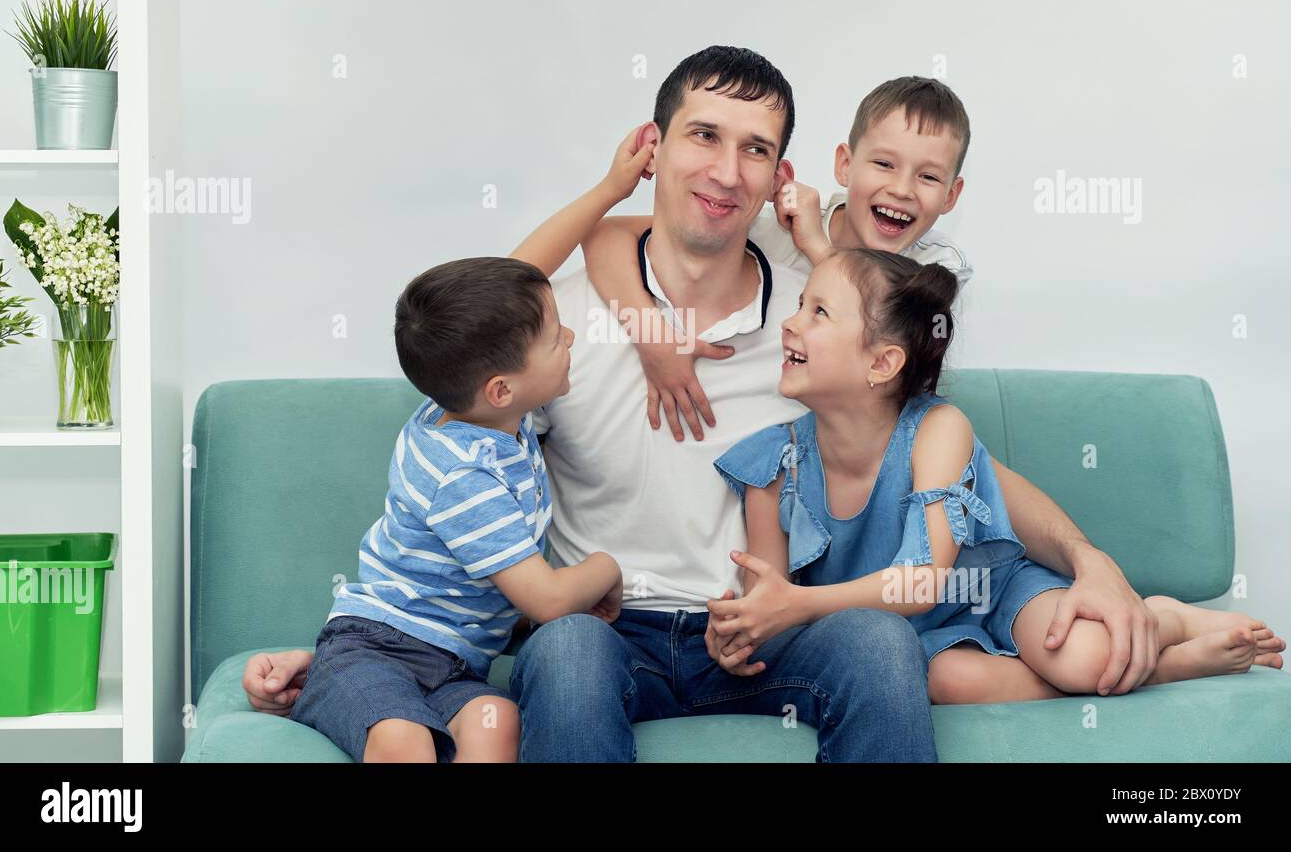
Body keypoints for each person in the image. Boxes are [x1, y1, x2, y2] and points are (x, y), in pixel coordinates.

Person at [244, 45, 1168, 759]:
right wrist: (348, 656)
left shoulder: (817, 322)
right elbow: (462, 397)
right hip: (613, 629)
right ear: (657, 150)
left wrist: (1091, 559)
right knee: (561, 655)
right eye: (704, 136)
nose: (728, 171)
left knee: (882, 649)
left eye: (756, 149)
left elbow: (952, 462)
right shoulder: (558, 329)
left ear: (780, 176)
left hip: (765, 625)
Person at [705, 248, 1286, 701]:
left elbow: (925, 580)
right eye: (800, 304)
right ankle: (1161, 669)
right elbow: (767, 601)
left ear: (882, 363)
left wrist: (801, 606)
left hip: (992, 591)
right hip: (905, 639)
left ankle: (1167, 619)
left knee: (1082, 657)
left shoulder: (938, 430)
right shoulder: (774, 463)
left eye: (818, 312)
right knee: (945, 686)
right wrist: (742, 630)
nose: (790, 324)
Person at [285, 132, 658, 762]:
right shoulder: (463, 471)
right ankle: (329, 693)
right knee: (404, 740)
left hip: (455, 665)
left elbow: (518, 280)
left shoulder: (483, 406)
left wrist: (610, 190)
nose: (569, 334)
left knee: (495, 724)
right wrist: (608, 568)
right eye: (554, 337)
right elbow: (543, 598)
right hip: (372, 649)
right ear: (502, 385)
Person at [580, 76, 972, 443]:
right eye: (884, 164)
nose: (901, 189)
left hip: (861, 435)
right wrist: (652, 335)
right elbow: (606, 235)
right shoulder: (775, 226)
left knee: (950, 439)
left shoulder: (940, 264)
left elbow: (889, 339)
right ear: (845, 165)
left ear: (952, 196)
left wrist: (818, 249)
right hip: (765, 419)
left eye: (928, 177)